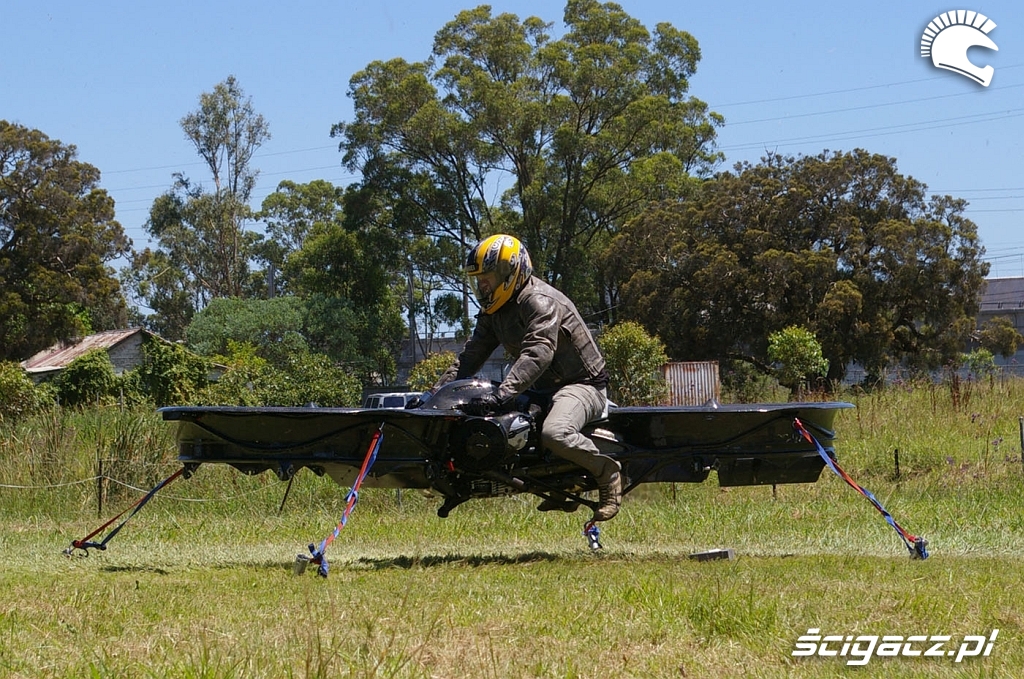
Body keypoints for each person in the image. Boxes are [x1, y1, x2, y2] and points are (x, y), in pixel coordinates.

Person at [433, 234, 622, 521]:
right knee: (502, 428)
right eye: (478, 281)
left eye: (487, 279)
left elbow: (538, 353)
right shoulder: (494, 310)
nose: (482, 287)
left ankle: (608, 472)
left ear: (510, 273)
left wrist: (501, 395)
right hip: (541, 388)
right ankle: (559, 484)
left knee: (554, 433)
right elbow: (470, 357)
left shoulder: (538, 301)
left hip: (582, 385)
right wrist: (433, 396)